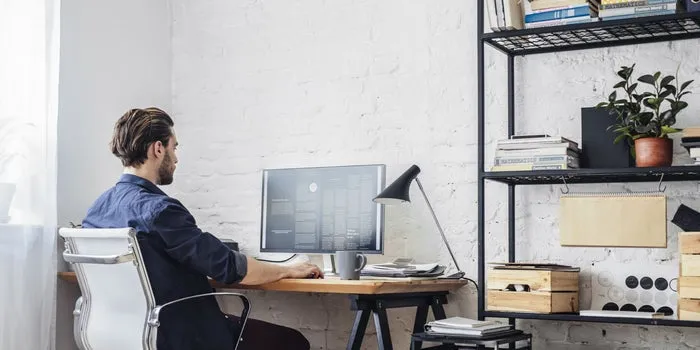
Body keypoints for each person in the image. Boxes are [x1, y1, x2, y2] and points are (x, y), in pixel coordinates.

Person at [82, 107, 323, 350]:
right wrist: (288, 270)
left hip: (126, 337)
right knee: (293, 342)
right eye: (173, 147)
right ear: (157, 149)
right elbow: (229, 267)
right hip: (183, 337)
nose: (175, 158)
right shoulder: (160, 210)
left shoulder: (96, 211)